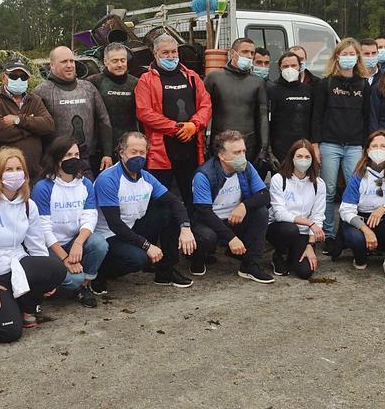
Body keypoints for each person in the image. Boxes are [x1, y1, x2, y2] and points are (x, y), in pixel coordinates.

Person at [0, 147, 66, 342]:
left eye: (18, 168)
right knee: (10, 332)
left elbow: (36, 244)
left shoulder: (27, 204)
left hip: (15, 265)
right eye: (8, 169)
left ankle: (25, 306)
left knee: (55, 268)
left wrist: (46, 279)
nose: (14, 174)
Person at [93, 132, 197, 293]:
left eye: (142, 152)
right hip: (107, 235)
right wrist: (146, 245)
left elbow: (174, 201)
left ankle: (165, 271)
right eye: (133, 152)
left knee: (168, 213)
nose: (138, 157)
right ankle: (100, 272)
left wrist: (185, 227)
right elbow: (115, 224)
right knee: (139, 259)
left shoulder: (147, 178)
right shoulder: (108, 179)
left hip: (131, 227)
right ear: (121, 153)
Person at [135, 34, 212, 208]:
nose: (171, 56)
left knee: (193, 197)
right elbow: (144, 112)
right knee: (161, 201)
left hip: (192, 149)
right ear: (155, 53)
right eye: (165, 53)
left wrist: (194, 125)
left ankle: (194, 231)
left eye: (174, 52)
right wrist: (175, 128)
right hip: (161, 152)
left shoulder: (192, 77)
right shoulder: (145, 81)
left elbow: (206, 104)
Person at [32, 137, 109, 308]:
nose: (73, 159)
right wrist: (65, 258)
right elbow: (43, 230)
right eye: (68, 155)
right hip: (49, 248)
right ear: (57, 159)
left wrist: (79, 243)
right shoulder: (43, 188)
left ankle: (85, 285)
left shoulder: (86, 184)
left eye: (76, 154)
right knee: (73, 279)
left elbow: (90, 217)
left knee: (99, 244)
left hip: (73, 241)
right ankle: (54, 283)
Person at [310, 38, 370, 251]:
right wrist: (316, 144)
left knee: (353, 190)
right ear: (336, 57)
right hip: (330, 143)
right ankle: (327, 233)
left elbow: (367, 117)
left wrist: (366, 146)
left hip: (355, 145)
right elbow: (316, 115)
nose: (348, 58)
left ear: (357, 58)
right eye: (344, 54)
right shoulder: (326, 83)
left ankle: (348, 232)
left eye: (352, 54)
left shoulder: (363, 84)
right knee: (328, 190)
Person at [191, 130, 273, 282]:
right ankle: (197, 259)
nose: (242, 156)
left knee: (261, 212)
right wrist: (231, 238)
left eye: (243, 151)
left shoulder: (246, 167)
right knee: (207, 238)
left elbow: (264, 195)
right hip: (209, 221)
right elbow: (204, 212)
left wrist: (244, 206)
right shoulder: (204, 174)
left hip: (234, 217)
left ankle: (250, 265)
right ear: (222, 155)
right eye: (236, 152)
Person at [333, 130, 385, 281]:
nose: (379, 149)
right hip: (362, 222)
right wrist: (366, 230)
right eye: (374, 146)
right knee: (356, 238)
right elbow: (345, 209)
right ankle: (360, 258)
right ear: (367, 150)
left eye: (383, 146)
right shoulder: (358, 174)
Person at [34, 46, 113, 174]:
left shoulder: (88, 88)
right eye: (64, 62)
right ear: (52, 65)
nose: (70, 65)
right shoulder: (42, 91)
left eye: (72, 61)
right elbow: (36, 129)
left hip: (88, 158)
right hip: (56, 161)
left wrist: (107, 153)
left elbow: (104, 121)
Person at [0, 57, 55, 180]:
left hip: (33, 174)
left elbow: (49, 125)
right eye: (14, 76)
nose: (19, 80)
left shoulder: (34, 99)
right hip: (3, 175)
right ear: (4, 78)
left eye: (23, 77)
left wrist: (19, 120)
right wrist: (33, 128)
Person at [204, 37, 271, 167]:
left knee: (245, 185)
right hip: (220, 145)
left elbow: (263, 117)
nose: (249, 56)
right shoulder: (214, 78)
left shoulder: (257, 82)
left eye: (252, 53)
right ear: (232, 53)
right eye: (245, 51)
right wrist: (204, 143)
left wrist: (264, 147)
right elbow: (204, 112)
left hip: (249, 146)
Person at [267, 139, 326, 279]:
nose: (303, 160)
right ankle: (279, 254)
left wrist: (311, 245)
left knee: (305, 272)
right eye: (299, 156)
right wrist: (309, 223)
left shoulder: (319, 184)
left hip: (304, 233)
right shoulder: (278, 179)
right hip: (280, 228)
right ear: (292, 157)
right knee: (290, 229)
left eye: (307, 157)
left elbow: (318, 215)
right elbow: (280, 214)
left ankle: (293, 254)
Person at [85, 42, 140, 153]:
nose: (119, 64)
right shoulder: (93, 82)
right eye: (115, 61)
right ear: (105, 62)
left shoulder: (136, 83)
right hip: (100, 147)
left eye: (123, 60)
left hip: (129, 145)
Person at [266, 51, 313, 165]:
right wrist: (269, 150)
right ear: (280, 68)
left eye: (293, 65)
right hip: (280, 149)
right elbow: (268, 121)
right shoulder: (272, 90)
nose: (290, 69)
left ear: (300, 67)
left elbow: (314, 119)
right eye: (285, 66)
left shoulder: (309, 90)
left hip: (304, 148)